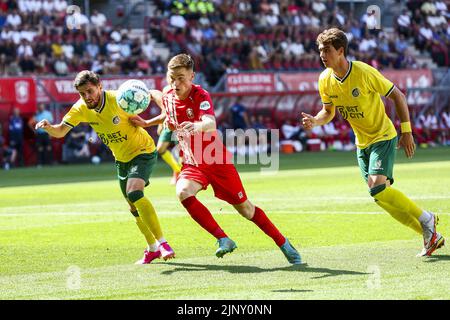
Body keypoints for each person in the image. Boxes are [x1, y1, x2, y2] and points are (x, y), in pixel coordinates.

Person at [130, 54, 301, 264]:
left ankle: (283, 243)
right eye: (172, 77)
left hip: (216, 162)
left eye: (181, 78)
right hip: (193, 163)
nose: (176, 83)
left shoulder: (201, 95)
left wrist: (197, 126)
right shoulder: (169, 95)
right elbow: (161, 101)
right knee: (182, 191)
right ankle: (223, 238)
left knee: (246, 209)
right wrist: (147, 121)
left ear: (192, 76)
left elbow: (210, 122)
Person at [301, 28, 445, 257]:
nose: (322, 55)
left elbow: (398, 95)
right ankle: (430, 235)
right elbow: (328, 112)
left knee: (377, 187)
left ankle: (427, 218)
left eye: (326, 50)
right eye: (320, 51)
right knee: (379, 196)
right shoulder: (325, 79)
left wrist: (406, 131)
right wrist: (316, 121)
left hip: (383, 136)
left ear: (340, 51)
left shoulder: (363, 72)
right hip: (362, 144)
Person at [34, 70, 175, 264]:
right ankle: (152, 248)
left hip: (143, 151)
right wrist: (49, 127)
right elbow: (60, 132)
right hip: (121, 159)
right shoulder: (81, 108)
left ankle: (163, 243)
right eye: (82, 93)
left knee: (134, 192)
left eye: (90, 91)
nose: (87, 97)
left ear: (100, 86)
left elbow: (153, 92)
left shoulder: (119, 98)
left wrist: (164, 111)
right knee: (132, 207)